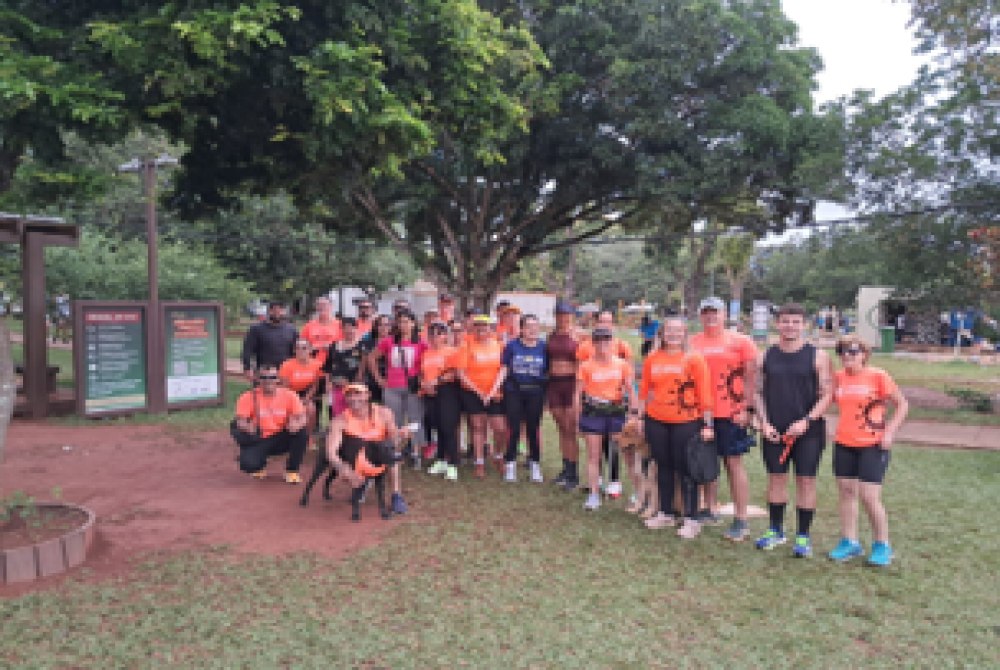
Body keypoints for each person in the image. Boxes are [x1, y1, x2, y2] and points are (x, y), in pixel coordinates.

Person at [754, 303, 834, 558]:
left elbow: (827, 395)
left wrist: (807, 420)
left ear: (804, 325)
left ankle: (803, 535)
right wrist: (764, 422)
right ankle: (775, 530)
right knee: (776, 479)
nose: (790, 326)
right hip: (775, 430)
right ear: (777, 324)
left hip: (808, 431)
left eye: (796, 322)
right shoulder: (765, 356)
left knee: (806, 481)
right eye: (785, 321)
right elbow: (757, 393)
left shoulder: (818, 356)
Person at [828, 335, 908, 567]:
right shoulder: (838, 378)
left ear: (864, 354)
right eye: (842, 351)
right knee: (846, 493)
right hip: (844, 443)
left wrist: (890, 431)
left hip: (873, 445)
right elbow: (824, 400)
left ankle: (882, 545)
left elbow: (902, 404)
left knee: (869, 497)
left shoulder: (878, 376)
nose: (847, 355)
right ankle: (849, 541)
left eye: (853, 351)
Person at [689, 296, 759, 541]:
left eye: (715, 312)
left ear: (725, 314)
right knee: (703, 461)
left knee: (733, 464)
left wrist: (747, 409)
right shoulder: (692, 342)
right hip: (699, 412)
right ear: (700, 316)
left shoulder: (741, 341)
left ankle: (741, 519)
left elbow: (752, 378)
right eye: (706, 312)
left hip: (730, 412)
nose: (710, 316)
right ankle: (708, 509)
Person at [638, 317, 714, 538]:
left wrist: (707, 424)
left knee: (686, 469)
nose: (673, 334)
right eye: (669, 330)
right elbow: (644, 390)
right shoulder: (653, 358)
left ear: (684, 333)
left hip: (687, 421)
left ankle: (691, 519)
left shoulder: (694, 358)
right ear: (662, 333)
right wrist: (640, 417)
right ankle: (666, 512)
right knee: (663, 466)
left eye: (678, 330)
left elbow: (704, 393)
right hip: (656, 419)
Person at [324, 383, 412, 516]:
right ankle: (363, 482)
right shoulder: (340, 420)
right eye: (349, 395)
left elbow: (395, 441)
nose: (354, 398)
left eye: (358, 393)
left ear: (368, 395)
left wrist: (404, 436)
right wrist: (344, 469)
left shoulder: (384, 413)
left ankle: (396, 496)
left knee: (391, 455)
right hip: (356, 458)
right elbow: (331, 452)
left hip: (378, 454)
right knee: (352, 457)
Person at [576, 327, 636, 511]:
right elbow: (577, 394)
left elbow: (630, 389)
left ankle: (637, 493)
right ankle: (594, 494)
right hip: (593, 412)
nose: (603, 343)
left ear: (612, 342)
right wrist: (578, 418)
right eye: (599, 340)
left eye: (606, 339)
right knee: (593, 455)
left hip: (616, 412)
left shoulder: (622, 364)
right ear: (593, 343)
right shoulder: (586, 366)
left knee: (628, 454)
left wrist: (634, 414)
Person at [368, 310, 427, 468]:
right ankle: (394, 451)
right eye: (400, 322)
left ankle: (415, 453)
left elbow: (427, 363)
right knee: (394, 421)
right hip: (392, 387)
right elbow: (372, 358)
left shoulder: (421, 343)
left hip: (413, 387)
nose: (403, 325)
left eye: (407, 322)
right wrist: (379, 379)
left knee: (415, 419)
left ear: (413, 323)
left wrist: (423, 381)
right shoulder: (389, 341)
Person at [232, 364, 308, 483]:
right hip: (259, 438)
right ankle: (260, 463)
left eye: (272, 377)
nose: (268, 381)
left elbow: (302, 417)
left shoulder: (289, 395)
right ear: (258, 379)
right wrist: (247, 427)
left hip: (281, 436)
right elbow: (240, 421)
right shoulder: (248, 397)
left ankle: (292, 470)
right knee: (248, 465)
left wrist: (297, 425)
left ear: (277, 379)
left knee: (302, 433)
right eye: (264, 377)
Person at [457, 314, 507, 478]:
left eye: (484, 327)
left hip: (495, 392)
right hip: (472, 392)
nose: (481, 330)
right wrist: (479, 392)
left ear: (490, 328)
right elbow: (461, 373)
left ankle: (498, 455)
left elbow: (503, 369)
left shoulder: (498, 345)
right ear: (473, 328)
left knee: (500, 428)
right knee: (478, 426)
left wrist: (492, 391)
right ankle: (479, 462)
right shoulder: (466, 345)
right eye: (477, 327)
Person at [499, 314, 547, 483]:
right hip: (514, 392)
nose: (533, 329)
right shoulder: (512, 346)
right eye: (529, 326)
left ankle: (535, 464)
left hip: (535, 392)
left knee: (533, 429)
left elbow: (548, 371)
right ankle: (510, 464)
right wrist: (495, 388)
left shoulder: (544, 347)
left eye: (535, 326)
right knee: (513, 429)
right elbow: (504, 369)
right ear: (522, 329)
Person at [548, 300, 582, 490]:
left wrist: (578, 391)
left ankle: (573, 474)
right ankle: (566, 468)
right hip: (554, 384)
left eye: (566, 315)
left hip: (570, 383)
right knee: (561, 428)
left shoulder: (578, 335)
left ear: (571, 316)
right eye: (560, 315)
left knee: (570, 429)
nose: (563, 318)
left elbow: (582, 362)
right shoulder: (551, 335)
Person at [422, 322, 462, 481]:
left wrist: (437, 381)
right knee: (438, 427)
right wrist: (425, 385)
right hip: (430, 393)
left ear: (445, 335)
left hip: (448, 391)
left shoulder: (452, 351)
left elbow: (455, 373)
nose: (434, 337)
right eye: (431, 334)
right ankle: (441, 460)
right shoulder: (427, 353)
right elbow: (423, 373)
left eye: (438, 334)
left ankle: (452, 463)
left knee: (448, 427)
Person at [278, 338, 323, 445]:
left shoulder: (317, 364)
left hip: (306, 392)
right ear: (294, 351)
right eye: (298, 348)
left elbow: (315, 385)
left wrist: (307, 398)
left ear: (310, 350)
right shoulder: (287, 365)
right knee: (291, 411)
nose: (301, 351)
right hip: (289, 393)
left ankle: (308, 437)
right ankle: (286, 436)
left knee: (311, 409)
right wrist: (295, 400)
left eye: (304, 348)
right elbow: (284, 387)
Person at [240, 300, 298, 378]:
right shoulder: (256, 329)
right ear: (269, 311)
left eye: (280, 310)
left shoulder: (291, 330)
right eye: (274, 310)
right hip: (264, 372)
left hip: (285, 372)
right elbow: (247, 350)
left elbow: (296, 351)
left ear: (284, 312)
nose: (277, 313)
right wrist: (247, 368)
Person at [323, 317, 366, 417]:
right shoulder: (334, 346)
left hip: (354, 387)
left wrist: (354, 383)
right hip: (335, 386)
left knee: (354, 414)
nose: (348, 330)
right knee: (335, 415)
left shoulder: (362, 346)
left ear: (356, 328)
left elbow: (364, 366)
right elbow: (328, 366)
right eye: (345, 328)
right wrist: (328, 383)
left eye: (351, 327)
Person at [361, 315, 392, 403]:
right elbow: (364, 360)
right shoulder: (369, 341)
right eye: (380, 325)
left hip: (390, 379)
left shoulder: (396, 341)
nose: (383, 328)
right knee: (373, 405)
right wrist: (360, 376)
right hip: (371, 379)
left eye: (386, 325)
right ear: (376, 326)